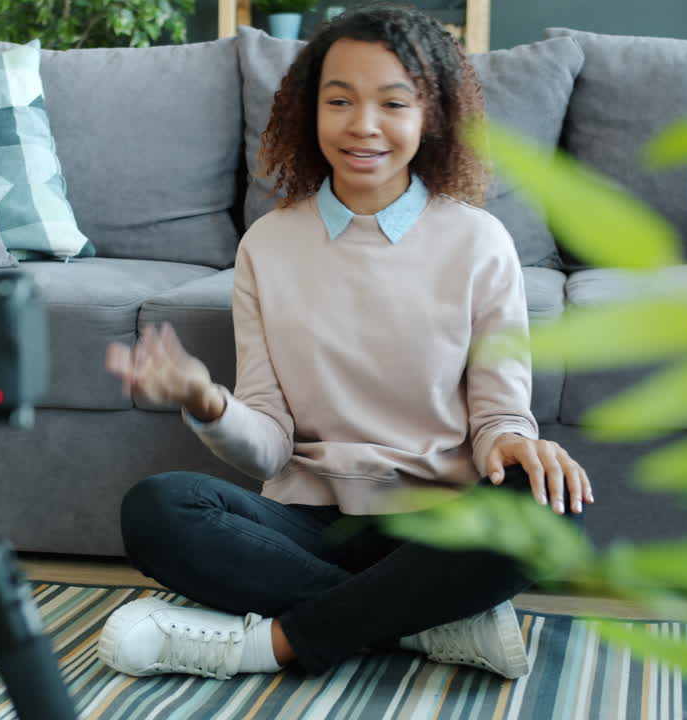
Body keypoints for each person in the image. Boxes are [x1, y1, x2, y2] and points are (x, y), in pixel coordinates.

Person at [96, 5, 593, 682]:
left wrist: (519, 448)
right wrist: (205, 400)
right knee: (156, 510)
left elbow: (499, 418)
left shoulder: (480, 244)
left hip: (438, 523)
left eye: (393, 103)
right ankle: (422, 624)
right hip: (310, 522)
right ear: (310, 111)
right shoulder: (266, 247)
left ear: (432, 116)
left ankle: (267, 645)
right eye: (339, 101)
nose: (363, 125)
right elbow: (269, 444)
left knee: (553, 511)